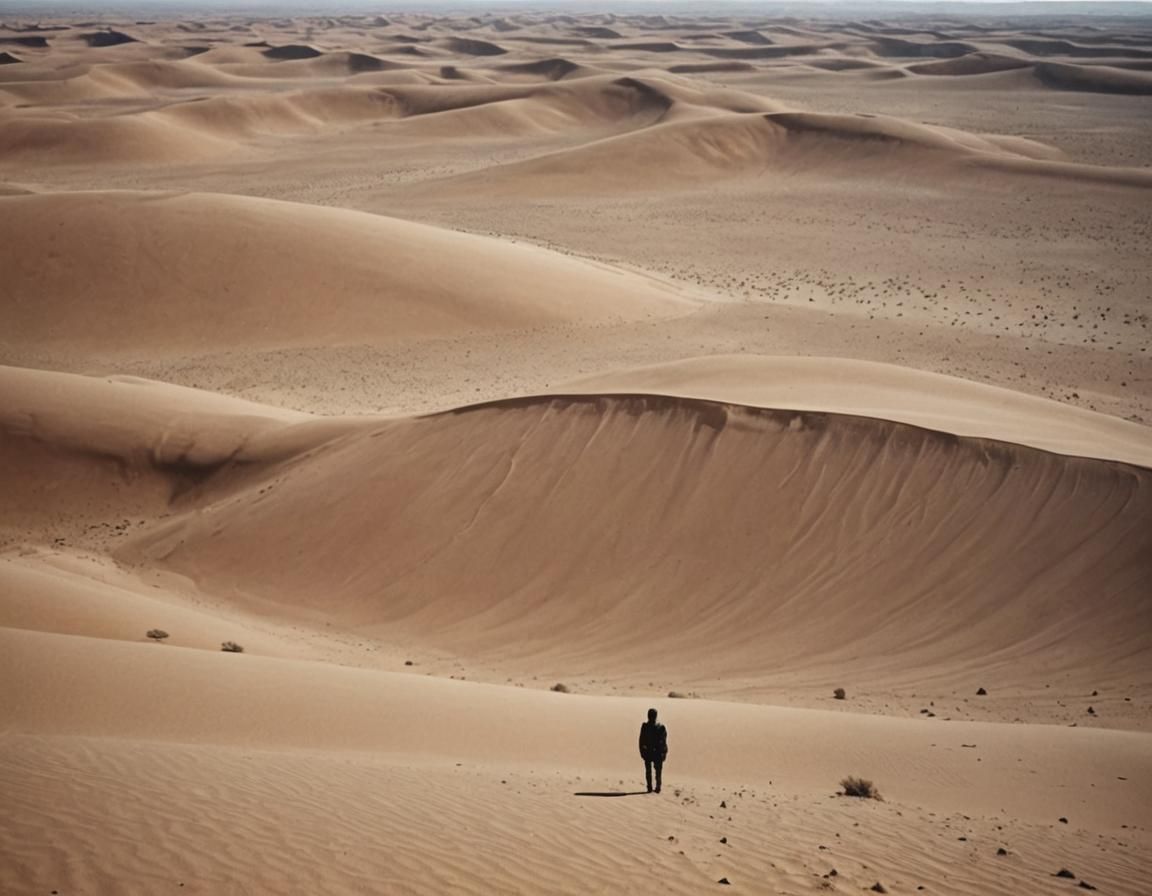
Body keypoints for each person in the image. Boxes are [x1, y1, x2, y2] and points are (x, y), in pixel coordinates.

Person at [638, 708, 668, 793]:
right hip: (651, 752)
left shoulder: (660, 727)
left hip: (655, 752)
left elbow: (663, 741)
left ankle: (655, 787)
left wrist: (664, 752)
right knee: (652, 771)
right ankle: (651, 787)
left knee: (655, 771)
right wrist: (642, 752)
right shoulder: (646, 726)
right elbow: (641, 741)